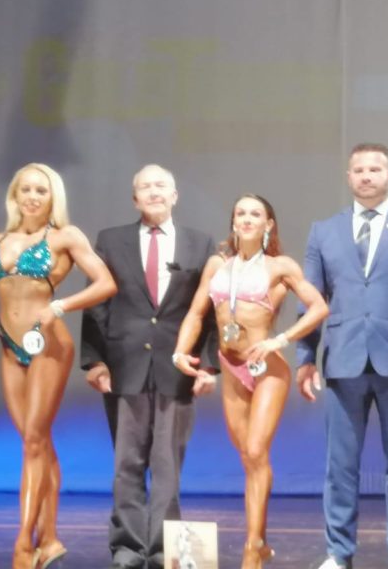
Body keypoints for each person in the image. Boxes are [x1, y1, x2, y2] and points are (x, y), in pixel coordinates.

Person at [0, 163, 117, 569]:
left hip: (48, 345)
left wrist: (60, 305)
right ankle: (52, 539)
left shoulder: (64, 237)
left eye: (41, 190)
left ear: (52, 197)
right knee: (37, 442)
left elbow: (106, 283)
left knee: (32, 441)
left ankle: (24, 544)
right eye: (25, 189)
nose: (32, 197)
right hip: (9, 347)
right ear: (14, 195)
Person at [297, 143, 388, 569]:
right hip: (343, 360)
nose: (366, 176)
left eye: (374, 169)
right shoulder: (323, 231)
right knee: (340, 467)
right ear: (348, 177)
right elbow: (311, 300)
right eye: (358, 169)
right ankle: (338, 554)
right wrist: (305, 356)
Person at [172, 193, 329, 568]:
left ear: (268, 224)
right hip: (231, 366)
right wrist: (180, 351)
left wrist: (280, 339)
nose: (246, 218)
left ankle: (251, 547)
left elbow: (319, 306)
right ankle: (259, 540)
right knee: (249, 458)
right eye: (240, 213)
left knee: (257, 450)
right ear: (233, 221)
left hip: (266, 368)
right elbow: (196, 313)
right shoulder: (218, 265)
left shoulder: (279, 266)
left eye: (255, 214)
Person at [80, 164, 217, 569]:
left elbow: (209, 310)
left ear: (175, 196)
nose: (154, 192)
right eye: (145, 187)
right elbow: (96, 303)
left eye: (161, 186)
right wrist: (94, 360)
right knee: (127, 463)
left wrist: (209, 366)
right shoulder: (110, 241)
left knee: (167, 465)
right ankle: (127, 547)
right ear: (134, 198)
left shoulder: (200, 243)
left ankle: (163, 549)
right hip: (124, 366)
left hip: (179, 368)